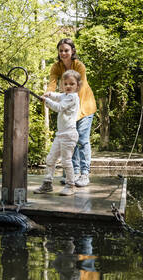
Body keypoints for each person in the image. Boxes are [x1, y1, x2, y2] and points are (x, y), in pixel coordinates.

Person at [46, 38, 97, 187]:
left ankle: (84, 174)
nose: (63, 53)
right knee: (70, 141)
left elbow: (80, 88)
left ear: (72, 51)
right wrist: (48, 94)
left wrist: (71, 110)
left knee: (82, 140)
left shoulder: (79, 66)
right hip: (69, 108)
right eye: (61, 50)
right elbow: (52, 83)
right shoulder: (56, 67)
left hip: (84, 106)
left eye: (66, 50)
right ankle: (72, 174)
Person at [34, 70, 81, 196]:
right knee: (51, 159)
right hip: (61, 134)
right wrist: (49, 94)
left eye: (72, 84)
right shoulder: (65, 95)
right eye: (65, 84)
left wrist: (46, 101)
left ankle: (70, 185)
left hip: (69, 135)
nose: (68, 86)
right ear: (62, 85)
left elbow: (59, 107)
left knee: (66, 161)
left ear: (77, 85)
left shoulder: (73, 97)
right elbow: (57, 96)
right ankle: (47, 183)